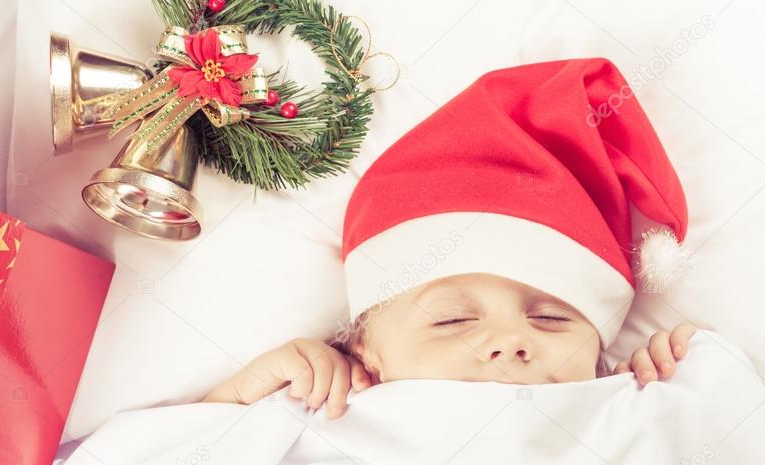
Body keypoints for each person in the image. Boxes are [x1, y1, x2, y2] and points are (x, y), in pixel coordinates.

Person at [205, 57, 696, 419]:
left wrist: (676, 400)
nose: (510, 341)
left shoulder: (618, 417)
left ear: (600, 359)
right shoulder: (327, 412)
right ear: (365, 359)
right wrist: (237, 400)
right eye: (453, 319)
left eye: (552, 318)